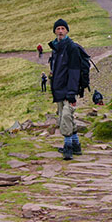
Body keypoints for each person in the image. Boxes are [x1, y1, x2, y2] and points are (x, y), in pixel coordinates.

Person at [48, 19, 84, 160]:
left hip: (69, 90)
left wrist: (71, 92)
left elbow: (74, 72)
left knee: (65, 117)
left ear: (67, 31)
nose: (61, 31)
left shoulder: (71, 48)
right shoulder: (56, 48)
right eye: (58, 29)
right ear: (55, 31)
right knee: (65, 117)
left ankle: (68, 147)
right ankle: (76, 145)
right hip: (58, 89)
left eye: (63, 28)